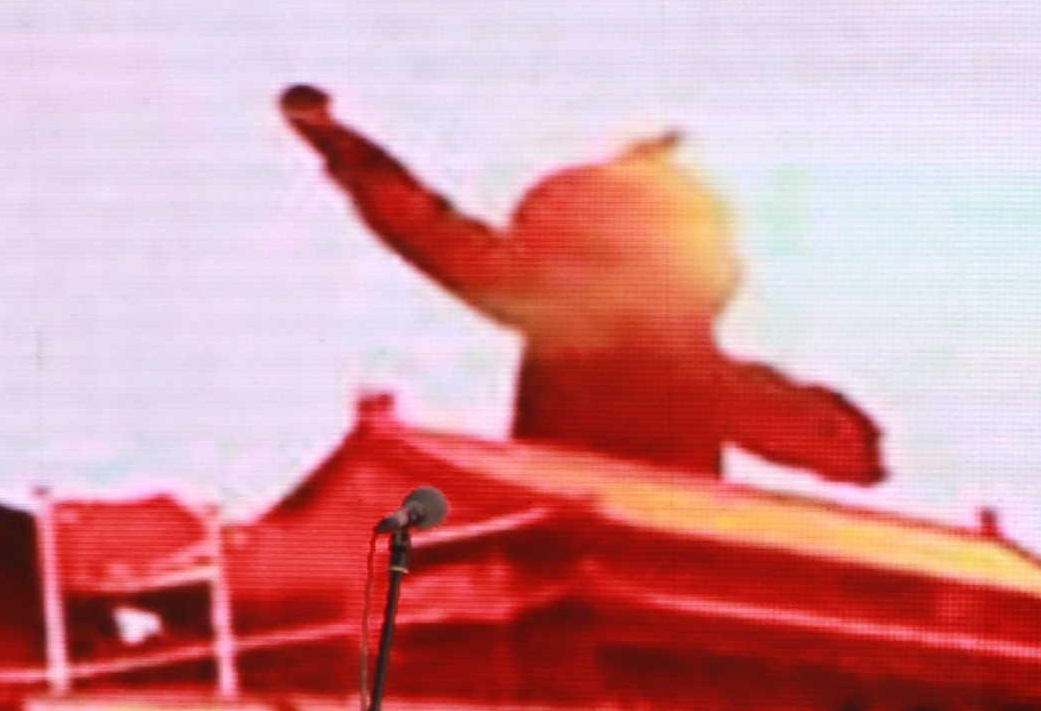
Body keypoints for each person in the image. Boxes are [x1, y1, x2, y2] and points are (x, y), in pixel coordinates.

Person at [276, 84, 890, 485]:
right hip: (629, 539)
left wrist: (340, 145)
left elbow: (423, 223)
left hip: (599, 537)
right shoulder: (690, 364)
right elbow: (837, 443)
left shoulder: (568, 310)